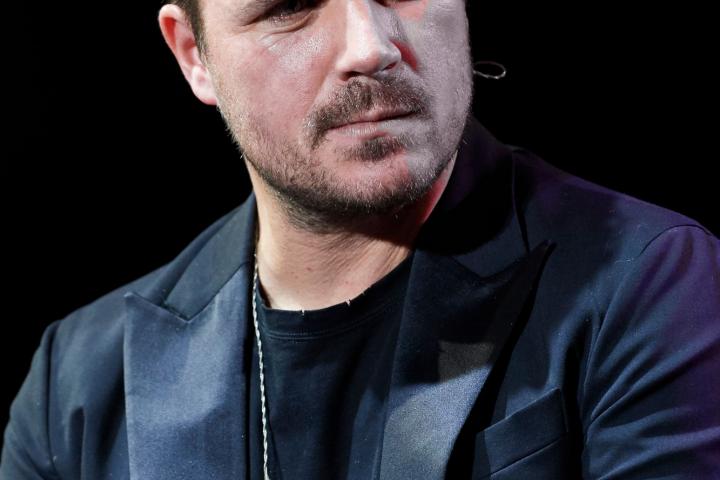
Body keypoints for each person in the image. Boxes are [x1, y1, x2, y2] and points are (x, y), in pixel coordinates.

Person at [2, 0, 719, 478]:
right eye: (290, 6)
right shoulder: (79, 379)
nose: (371, 47)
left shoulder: (644, 279)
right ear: (195, 54)